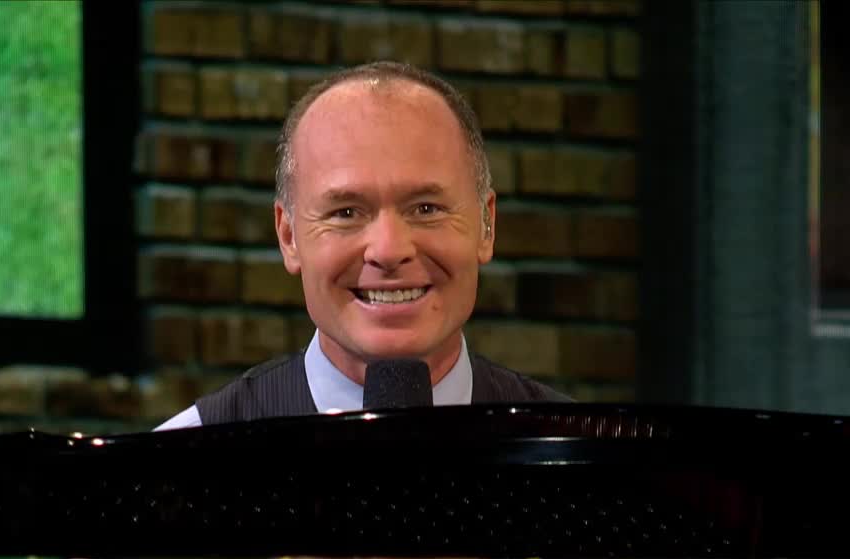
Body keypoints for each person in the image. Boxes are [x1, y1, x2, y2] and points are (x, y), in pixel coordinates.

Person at [156, 61, 570, 430]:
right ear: (288, 236)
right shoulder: (181, 463)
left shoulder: (582, 452)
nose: (388, 251)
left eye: (426, 208)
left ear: (486, 224)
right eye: (346, 213)